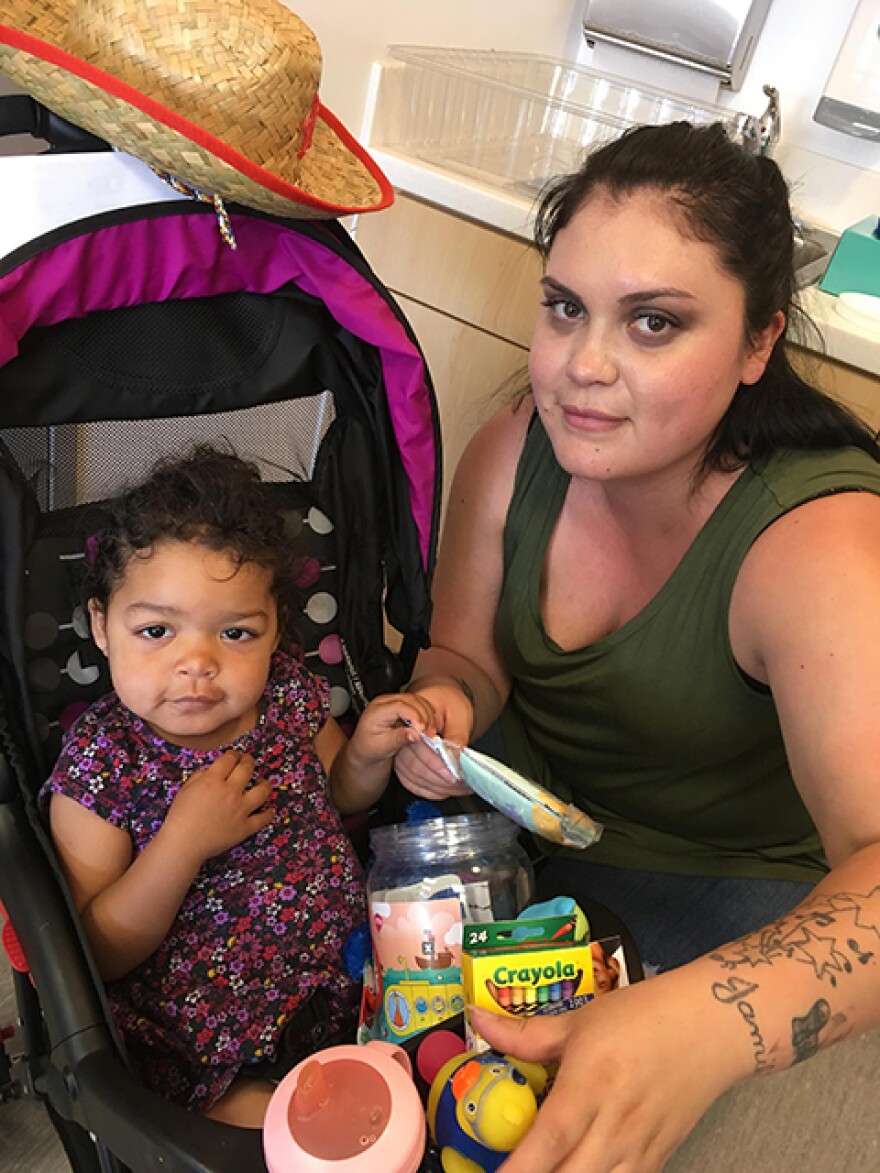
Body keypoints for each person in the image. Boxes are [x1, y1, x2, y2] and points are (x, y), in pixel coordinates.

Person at [394, 120, 880, 1170]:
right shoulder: (515, 444)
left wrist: (710, 1023)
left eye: (653, 323)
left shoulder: (815, 541)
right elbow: (464, 657)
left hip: (719, 881)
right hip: (523, 825)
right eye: (564, 309)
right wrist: (443, 708)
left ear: (759, 343)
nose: (582, 367)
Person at [41, 445, 443, 1129]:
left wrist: (370, 753)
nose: (197, 662)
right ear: (103, 627)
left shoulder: (286, 691)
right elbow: (95, 951)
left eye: (234, 632)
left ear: (275, 632)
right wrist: (181, 844)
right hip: (208, 1051)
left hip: (357, 993)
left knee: (437, 1095)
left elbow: (340, 794)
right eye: (156, 630)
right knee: (293, 1141)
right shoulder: (104, 760)